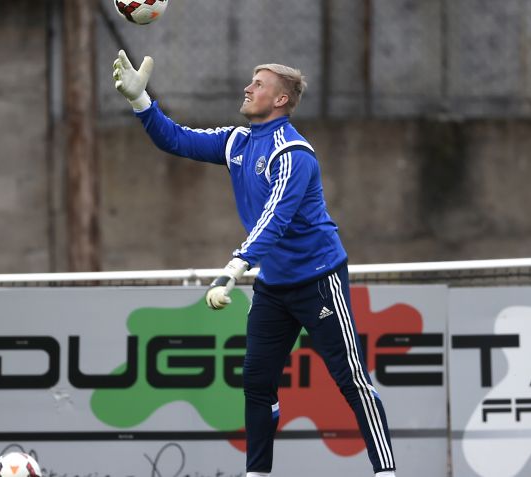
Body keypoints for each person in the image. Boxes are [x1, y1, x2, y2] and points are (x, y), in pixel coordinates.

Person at [112, 50, 397, 477]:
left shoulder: (294, 153)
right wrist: (140, 101)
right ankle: (257, 473)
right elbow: (176, 139)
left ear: (280, 100)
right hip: (274, 285)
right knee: (257, 382)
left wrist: (236, 265)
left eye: (258, 84)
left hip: (319, 280)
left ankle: (386, 472)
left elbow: (275, 218)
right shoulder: (238, 142)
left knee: (351, 379)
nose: (247, 88)